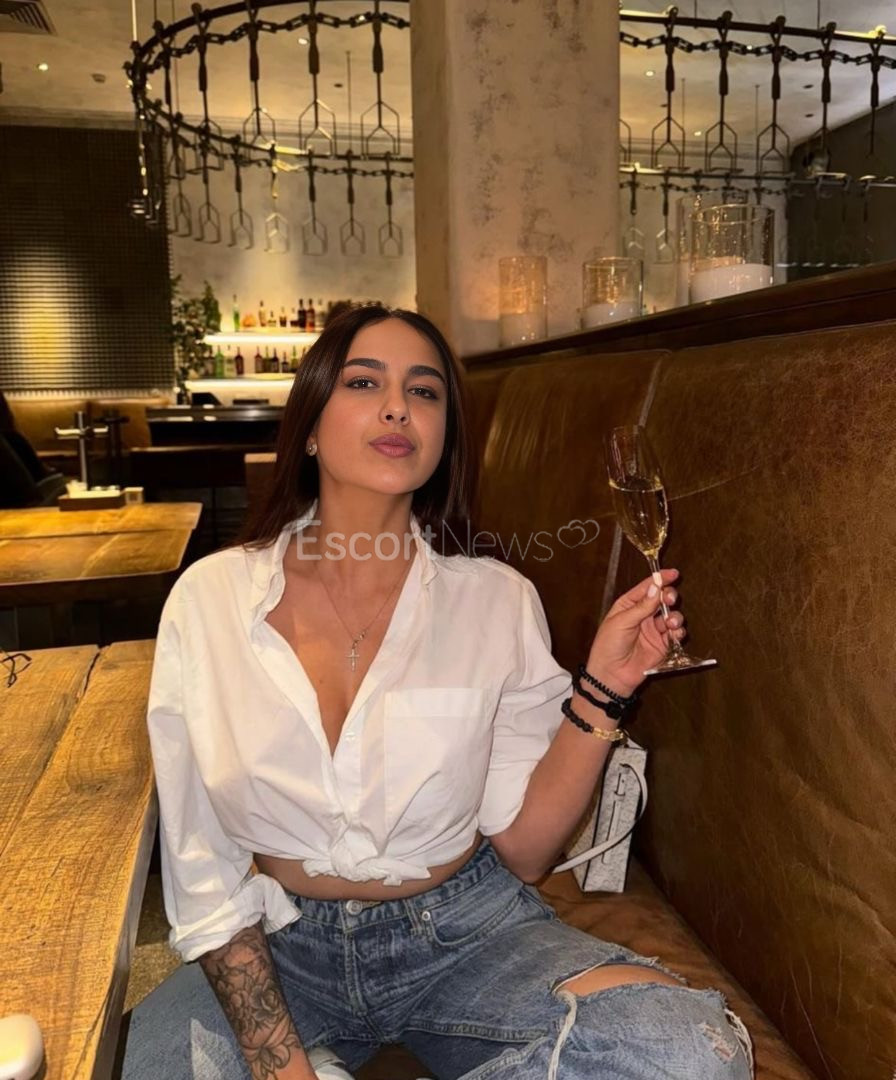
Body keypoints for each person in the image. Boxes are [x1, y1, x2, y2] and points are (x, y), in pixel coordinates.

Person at [122, 306, 753, 1080]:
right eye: (364, 383)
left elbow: (526, 850)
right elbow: (204, 867)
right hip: (278, 940)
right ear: (309, 427)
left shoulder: (495, 599)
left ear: (443, 438)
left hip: (466, 933)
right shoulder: (211, 599)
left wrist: (607, 685)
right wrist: (282, 1068)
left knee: (691, 1051)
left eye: (424, 392)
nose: (398, 407)